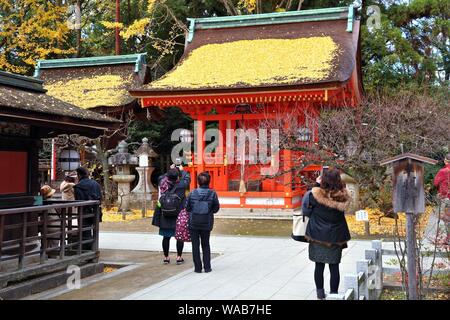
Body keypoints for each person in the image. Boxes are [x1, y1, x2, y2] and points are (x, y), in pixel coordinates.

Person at [303, 168, 352, 300]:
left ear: (323, 180)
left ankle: (320, 293)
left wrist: (317, 185)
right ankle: (334, 294)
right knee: (334, 266)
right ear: (338, 180)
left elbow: (306, 211)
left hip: (317, 235)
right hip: (336, 236)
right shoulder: (344, 196)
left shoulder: (314, 195)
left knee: (319, 265)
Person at [152, 165, 190, 264]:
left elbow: (161, 177)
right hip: (178, 214)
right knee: (179, 237)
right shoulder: (182, 185)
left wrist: (170, 170)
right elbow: (187, 178)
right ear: (178, 177)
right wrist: (182, 170)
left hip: (165, 214)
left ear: (167, 176)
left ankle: (166, 257)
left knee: (166, 237)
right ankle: (178, 257)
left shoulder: (162, 183)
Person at [186, 172, 220, 273]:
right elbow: (216, 208)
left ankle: (197, 268)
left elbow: (187, 207)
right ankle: (207, 267)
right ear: (209, 181)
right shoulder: (212, 193)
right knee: (206, 244)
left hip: (193, 222)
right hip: (207, 222)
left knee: (195, 245)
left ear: (198, 182)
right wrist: (208, 212)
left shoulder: (192, 193)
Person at [74, 167, 102, 250]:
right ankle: (94, 247)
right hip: (96, 210)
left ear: (79, 175)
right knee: (95, 230)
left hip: (84, 211)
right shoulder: (95, 184)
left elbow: (78, 201)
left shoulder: (78, 186)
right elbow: (100, 197)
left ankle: (87, 249)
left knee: (85, 231)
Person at [39, 185, 60, 252]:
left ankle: (44, 257)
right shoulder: (55, 201)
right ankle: (53, 256)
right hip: (56, 225)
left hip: (44, 226)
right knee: (54, 244)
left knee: (44, 244)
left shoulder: (39, 202)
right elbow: (60, 212)